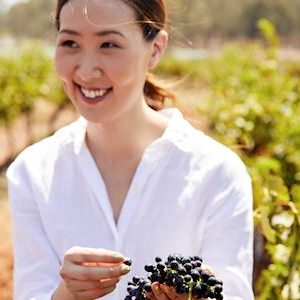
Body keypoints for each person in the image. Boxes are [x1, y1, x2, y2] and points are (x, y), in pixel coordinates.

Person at [6, 0, 254, 299]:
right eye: (70, 42)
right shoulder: (33, 171)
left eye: (109, 44)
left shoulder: (217, 172)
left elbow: (232, 291)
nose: (86, 69)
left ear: (156, 49)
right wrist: (66, 295)